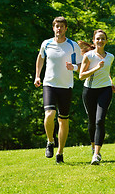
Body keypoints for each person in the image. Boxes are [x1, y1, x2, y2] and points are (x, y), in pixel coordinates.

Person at [34, 16, 82, 164]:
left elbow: (82, 65)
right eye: (56, 26)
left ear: (66, 29)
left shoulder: (73, 46)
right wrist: (37, 76)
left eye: (61, 26)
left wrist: (73, 67)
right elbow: (40, 57)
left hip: (66, 86)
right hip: (49, 84)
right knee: (49, 114)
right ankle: (50, 141)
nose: (59, 29)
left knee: (63, 120)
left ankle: (60, 152)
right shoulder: (46, 44)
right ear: (53, 28)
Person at [78, 29, 115, 165]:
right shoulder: (88, 56)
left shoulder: (110, 57)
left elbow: (107, 72)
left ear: (106, 41)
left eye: (103, 38)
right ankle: (93, 146)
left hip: (105, 90)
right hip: (90, 91)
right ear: (94, 41)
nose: (100, 41)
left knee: (100, 120)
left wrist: (111, 82)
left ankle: (96, 154)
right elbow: (81, 76)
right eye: (98, 39)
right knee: (92, 121)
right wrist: (96, 69)